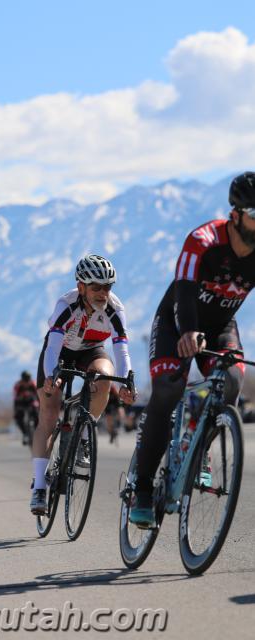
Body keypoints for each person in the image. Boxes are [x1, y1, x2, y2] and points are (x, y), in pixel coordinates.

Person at [130, 171, 255, 527]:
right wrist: (188, 331)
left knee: (231, 381)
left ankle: (199, 446)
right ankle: (141, 490)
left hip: (221, 327)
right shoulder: (203, 240)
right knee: (169, 388)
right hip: (177, 321)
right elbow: (184, 288)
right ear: (235, 214)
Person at [30, 254, 136, 514]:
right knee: (49, 414)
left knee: (104, 377)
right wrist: (51, 377)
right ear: (81, 287)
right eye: (96, 287)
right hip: (61, 352)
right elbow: (53, 347)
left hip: (92, 351)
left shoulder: (114, 309)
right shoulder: (65, 305)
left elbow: (121, 351)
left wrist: (126, 382)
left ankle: (86, 432)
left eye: (107, 287)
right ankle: (40, 486)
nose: (103, 293)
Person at [13, 371, 39, 445]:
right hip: (20, 402)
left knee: (37, 414)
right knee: (18, 417)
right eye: (25, 381)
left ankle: (38, 431)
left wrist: (39, 405)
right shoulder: (18, 385)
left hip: (31, 402)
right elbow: (15, 398)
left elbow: (38, 396)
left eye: (28, 380)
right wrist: (16, 411)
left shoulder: (33, 384)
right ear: (22, 380)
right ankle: (25, 434)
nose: (26, 383)